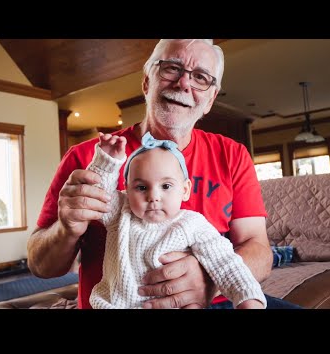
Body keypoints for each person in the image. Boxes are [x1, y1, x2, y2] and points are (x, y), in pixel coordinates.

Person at [28, 39, 299, 309]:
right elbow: (40, 266)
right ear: (147, 82)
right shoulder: (92, 157)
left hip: (214, 302)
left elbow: (259, 251)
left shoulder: (232, 155)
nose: (184, 84)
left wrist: (208, 277)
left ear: (210, 100)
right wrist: (66, 229)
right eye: (171, 68)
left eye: (201, 77)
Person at [87, 131, 266, 309]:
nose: (153, 196)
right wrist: (106, 162)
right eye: (141, 187)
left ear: (185, 189)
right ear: (127, 189)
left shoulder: (192, 224)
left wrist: (248, 298)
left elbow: (225, 263)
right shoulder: (121, 214)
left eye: (166, 186)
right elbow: (98, 196)